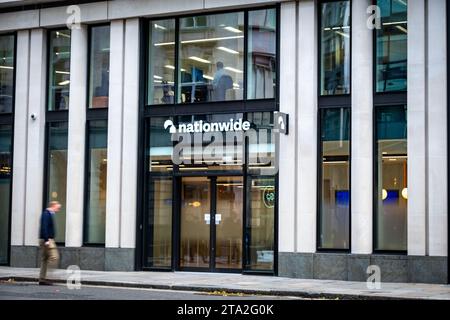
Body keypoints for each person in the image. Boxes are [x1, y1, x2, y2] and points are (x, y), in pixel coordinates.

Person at [38, 201, 61, 285]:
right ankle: (48, 277)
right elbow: (44, 227)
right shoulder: (46, 214)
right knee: (54, 257)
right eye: (58, 208)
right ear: (53, 206)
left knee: (44, 259)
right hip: (47, 240)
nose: (58, 210)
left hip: (46, 239)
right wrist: (47, 240)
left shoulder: (48, 214)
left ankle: (42, 279)